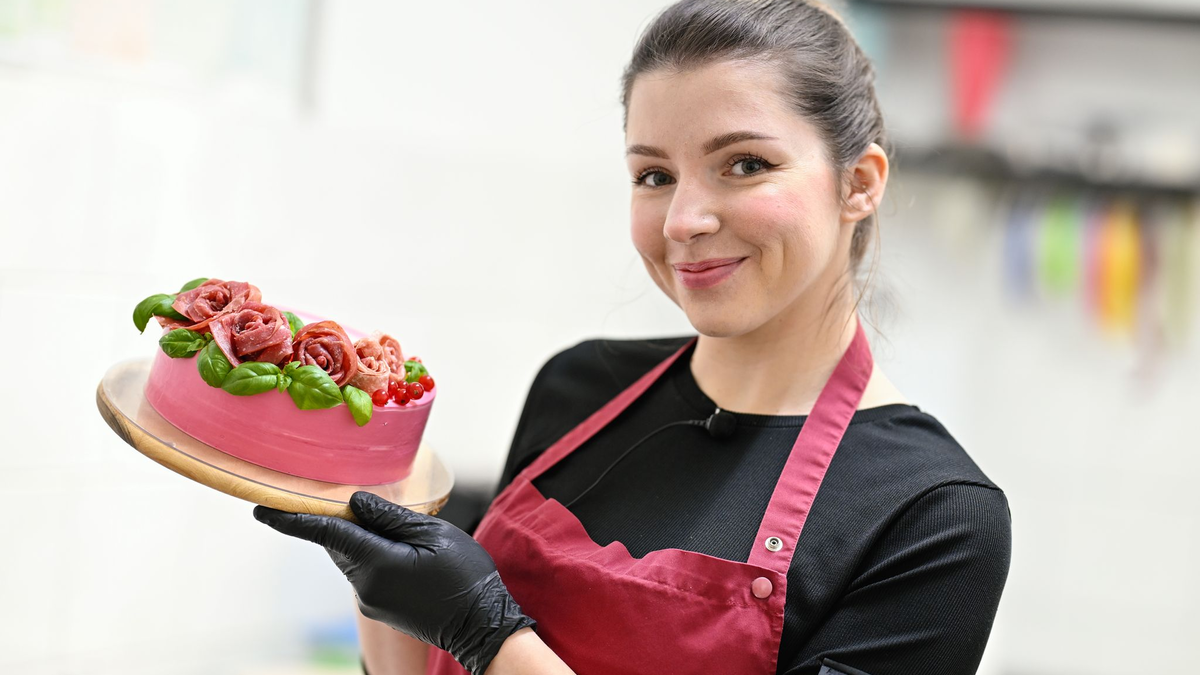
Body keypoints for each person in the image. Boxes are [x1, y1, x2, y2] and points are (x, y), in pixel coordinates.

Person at [254, 1, 1012, 673]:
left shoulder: (932, 516)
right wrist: (382, 580)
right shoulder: (577, 390)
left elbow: (482, 642)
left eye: (744, 165)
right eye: (654, 176)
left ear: (860, 183)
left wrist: (489, 636)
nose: (684, 220)